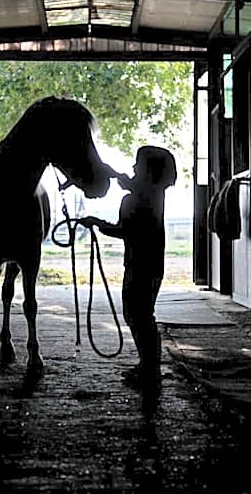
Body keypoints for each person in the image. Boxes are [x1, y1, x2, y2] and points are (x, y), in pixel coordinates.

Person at [80, 146, 177, 397]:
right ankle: (148, 366)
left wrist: (97, 223)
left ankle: (150, 369)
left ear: (147, 171)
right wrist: (116, 176)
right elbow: (137, 189)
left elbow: (124, 229)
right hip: (151, 263)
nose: (133, 169)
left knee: (138, 315)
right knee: (142, 315)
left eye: (138, 165)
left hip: (139, 264)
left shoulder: (138, 198)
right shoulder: (154, 194)